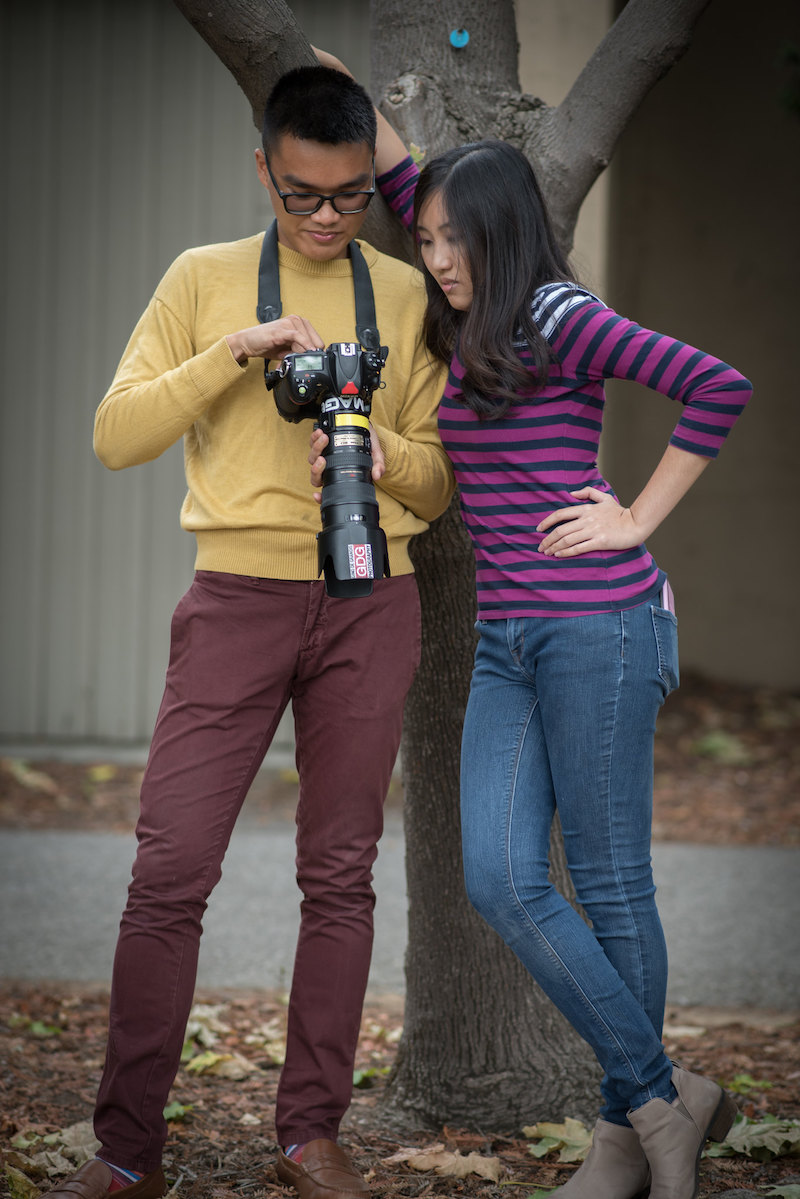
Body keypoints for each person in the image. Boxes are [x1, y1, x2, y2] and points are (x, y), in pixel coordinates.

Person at [311, 103, 752, 1196]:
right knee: (502, 876)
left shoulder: (557, 313)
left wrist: (635, 516)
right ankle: (663, 1096)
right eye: (427, 239)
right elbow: (392, 154)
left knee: (605, 883)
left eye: (456, 240)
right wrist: (313, 81)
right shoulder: (469, 295)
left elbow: (715, 385)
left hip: (598, 624)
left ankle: (620, 1132)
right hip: (507, 637)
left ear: (504, 233)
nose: (436, 255)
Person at [41, 66, 453, 1199]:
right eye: (301, 196)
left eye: (350, 197)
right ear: (261, 170)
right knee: (169, 869)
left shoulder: (404, 293)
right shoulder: (200, 278)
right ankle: (126, 1146)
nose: (326, 219)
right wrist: (234, 355)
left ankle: (309, 1131)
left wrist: (368, 448)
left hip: (372, 597)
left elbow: (436, 479)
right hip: (233, 596)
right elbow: (116, 434)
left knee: (340, 871)